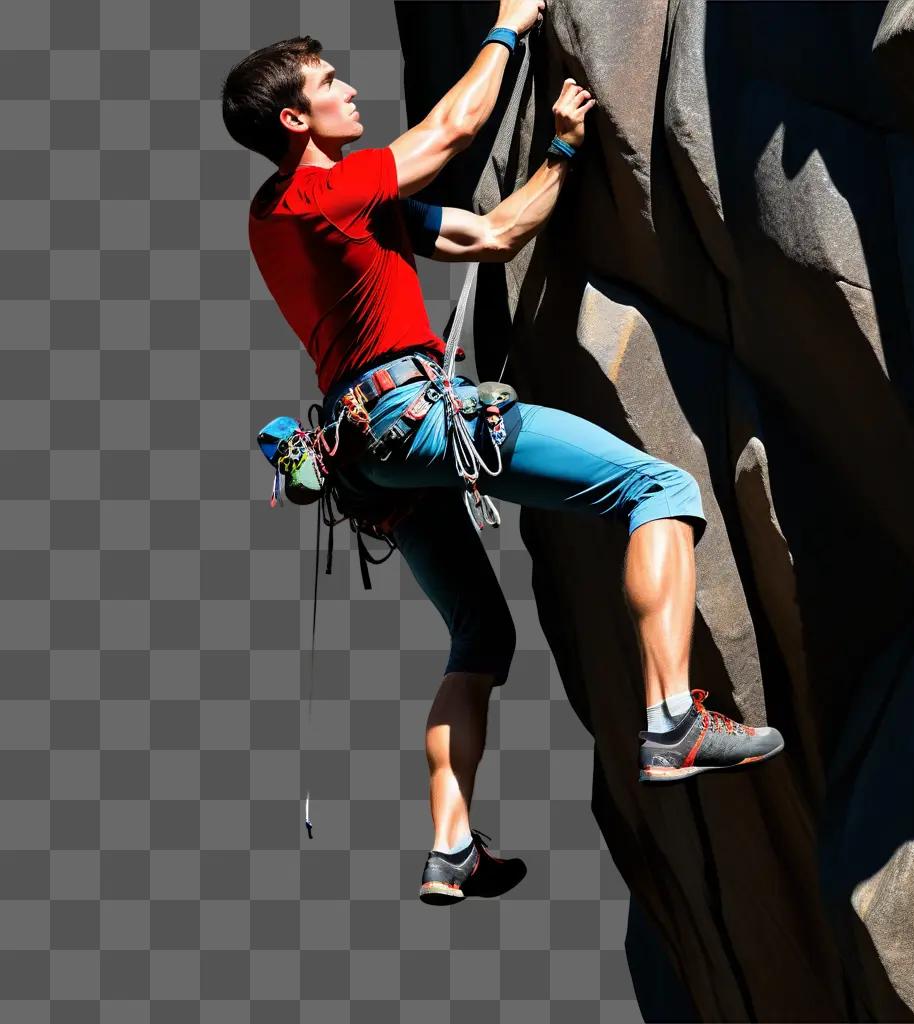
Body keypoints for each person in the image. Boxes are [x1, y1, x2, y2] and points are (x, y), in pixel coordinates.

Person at [222, 0, 784, 906]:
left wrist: (561, 151)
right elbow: (453, 126)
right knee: (659, 487)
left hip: (363, 452)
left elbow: (492, 235)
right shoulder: (322, 192)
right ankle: (674, 719)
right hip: (413, 418)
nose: (349, 87)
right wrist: (510, 25)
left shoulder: (302, 215)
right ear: (295, 121)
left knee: (480, 633)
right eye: (329, 85)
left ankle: (452, 849)